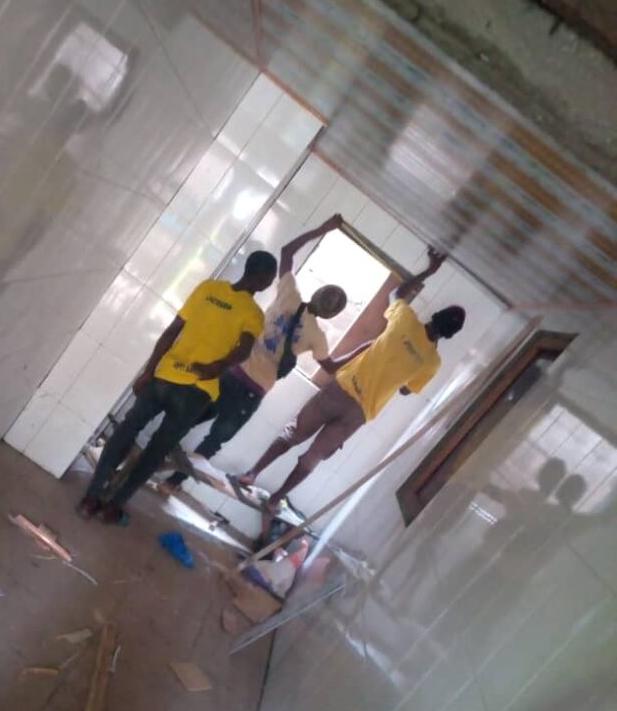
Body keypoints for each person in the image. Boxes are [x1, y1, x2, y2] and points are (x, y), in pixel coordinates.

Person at [236, 248, 466, 519]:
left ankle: (251, 474)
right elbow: (406, 390)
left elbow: (396, 293)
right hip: (361, 411)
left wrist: (428, 271)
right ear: (450, 335)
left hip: (341, 388)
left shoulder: (404, 319)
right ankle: (275, 500)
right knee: (313, 458)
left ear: (434, 315)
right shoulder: (432, 363)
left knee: (293, 433)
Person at [76, 250, 278, 522]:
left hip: (165, 377)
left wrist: (149, 371)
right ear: (264, 278)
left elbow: (173, 330)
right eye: (270, 278)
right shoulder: (253, 314)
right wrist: (217, 367)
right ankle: (114, 506)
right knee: (156, 451)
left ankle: (91, 499)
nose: (269, 282)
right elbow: (243, 351)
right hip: (197, 390)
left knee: (125, 432)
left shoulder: (208, 288)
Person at [163, 214, 348, 491]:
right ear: (331, 314)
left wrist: (322, 229)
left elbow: (287, 251)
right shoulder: (318, 338)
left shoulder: (289, 294)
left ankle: (147, 460)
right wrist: (366, 348)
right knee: (213, 442)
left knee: (186, 418)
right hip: (253, 390)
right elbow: (331, 367)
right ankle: (170, 484)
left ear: (317, 293)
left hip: (231, 370)